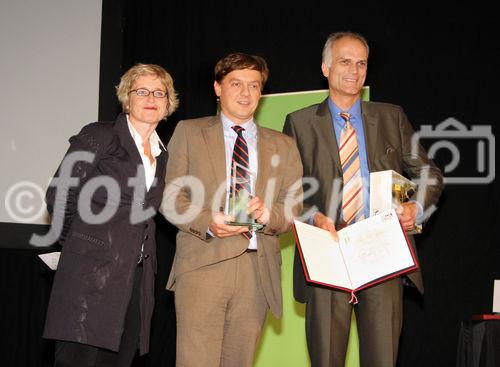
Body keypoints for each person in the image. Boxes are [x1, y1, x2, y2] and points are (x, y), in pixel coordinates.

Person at [283, 32, 444, 367]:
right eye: (345, 61)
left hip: (383, 254)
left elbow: (429, 173)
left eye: (361, 63)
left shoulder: (391, 116)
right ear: (326, 67)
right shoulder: (298, 124)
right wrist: (314, 218)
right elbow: (287, 192)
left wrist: (417, 207)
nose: (354, 70)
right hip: (328, 255)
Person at [160, 52, 303, 367]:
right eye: (236, 83)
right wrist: (207, 222)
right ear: (217, 87)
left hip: (257, 271)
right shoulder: (189, 131)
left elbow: (295, 205)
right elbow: (170, 197)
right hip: (203, 264)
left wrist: (269, 216)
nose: (246, 93)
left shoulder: (283, 145)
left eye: (254, 85)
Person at [43, 63, 178, 367]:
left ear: (169, 104)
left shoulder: (162, 153)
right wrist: (82, 246)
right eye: (141, 91)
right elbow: (59, 194)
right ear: (126, 98)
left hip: (135, 278)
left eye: (160, 92)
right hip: (89, 276)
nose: (151, 97)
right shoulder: (100, 134)